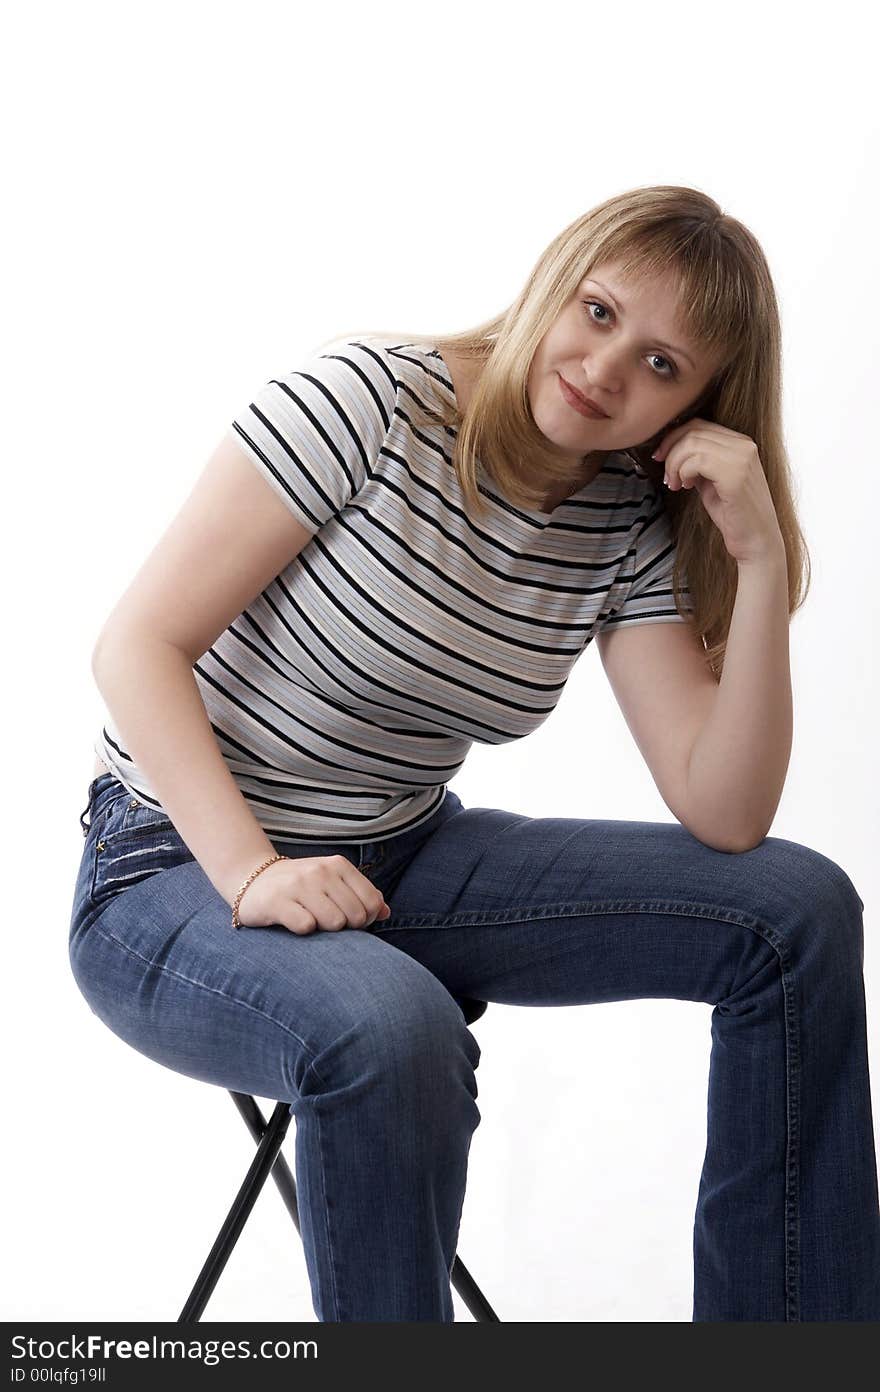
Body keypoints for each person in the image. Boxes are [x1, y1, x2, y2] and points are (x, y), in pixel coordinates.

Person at [68, 184, 880, 1322]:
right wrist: (254, 875)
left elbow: (725, 810)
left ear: (700, 404)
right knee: (391, 1027)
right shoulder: (368, 402)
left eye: (661, 365)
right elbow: (137, 647)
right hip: (173, 870)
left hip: (396, 859)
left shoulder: (625, 513)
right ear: (554, 282)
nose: (606, 370)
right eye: (598, 314)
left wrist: (758, 564)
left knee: (792, 909)